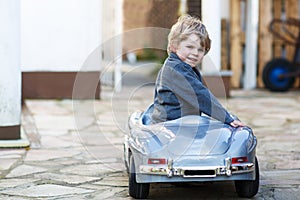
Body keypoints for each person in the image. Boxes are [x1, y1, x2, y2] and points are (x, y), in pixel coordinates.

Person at [150, 15, 244, 127]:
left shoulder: (184, 66)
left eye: (200, 50)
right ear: (174, 46)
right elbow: (200, 94)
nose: (195, 53)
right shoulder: (176, 69)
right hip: (169, 126)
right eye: (190, 47)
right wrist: (226, 118)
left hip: (181, 123)